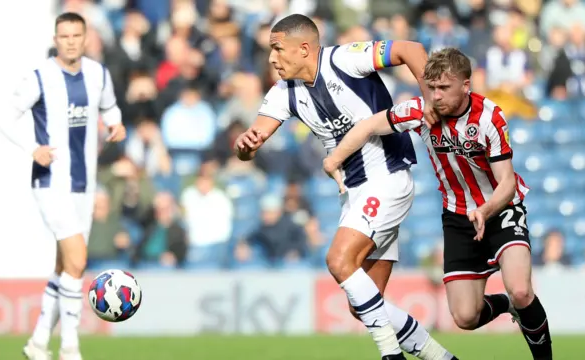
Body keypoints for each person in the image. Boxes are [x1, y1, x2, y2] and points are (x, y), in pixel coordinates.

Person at [235, 14, 457, 360]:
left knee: (338, 260)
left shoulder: (344, 59)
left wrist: (431, 99)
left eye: (277, 49)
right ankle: (443, 358)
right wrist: (246, 147)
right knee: (366, 305)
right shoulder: (283, 93)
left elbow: (410, 49)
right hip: (356, 193)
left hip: (386, 180)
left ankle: (390, 355)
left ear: (304, 49)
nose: (271, 58)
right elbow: (251, 143)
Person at [323, 47, 553, 360]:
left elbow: (507, 182)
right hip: (458, 219)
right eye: (431, 87)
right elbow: (367, 126)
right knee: (465, 317)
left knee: (522, 289)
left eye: (444, 88)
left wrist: (485, 211)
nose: (437, 95)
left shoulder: (489, 117)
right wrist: (334, 159)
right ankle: (507, 305)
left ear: (465, 85)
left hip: (500, 209)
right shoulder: (420, 111)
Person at [1, 12, 126, 360]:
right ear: (56, 39)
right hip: (51, 182)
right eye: (64, 36)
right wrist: (33, 149)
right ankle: (70, 348)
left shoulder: (98, 74)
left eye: (76, 35)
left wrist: (117, 126)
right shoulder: (39, 78)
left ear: (85, 38)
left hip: (84, 184)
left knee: (64, 268)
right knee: (78, 260)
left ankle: (38, 342)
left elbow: (111, 109)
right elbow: (4, 120)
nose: (70, 41)